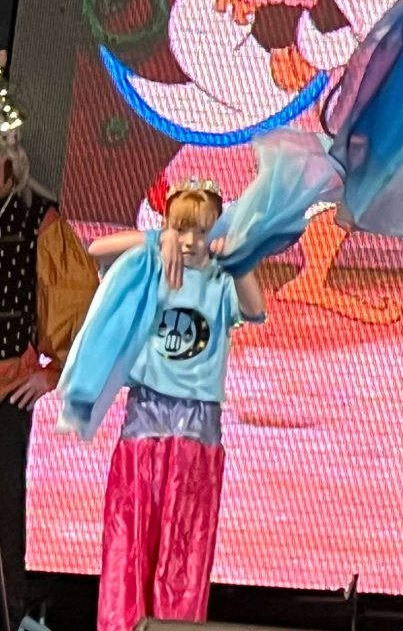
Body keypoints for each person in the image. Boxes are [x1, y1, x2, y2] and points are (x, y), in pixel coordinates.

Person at [81, 182, 268, 631]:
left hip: (195, 436)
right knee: (128, 547)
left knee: (183, 555)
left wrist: (235, 257)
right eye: (179, 229)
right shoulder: (151, 269)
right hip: (144, 427)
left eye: (200, 232)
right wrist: (153, 239)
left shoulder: (220, 283)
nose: (189, 241)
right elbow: (96, 248)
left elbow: (255, 307)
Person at [0, 62, 96, 630]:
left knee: (2, 512)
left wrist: (53, 369)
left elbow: (78, 302)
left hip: (6, 389)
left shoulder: (38, 218)